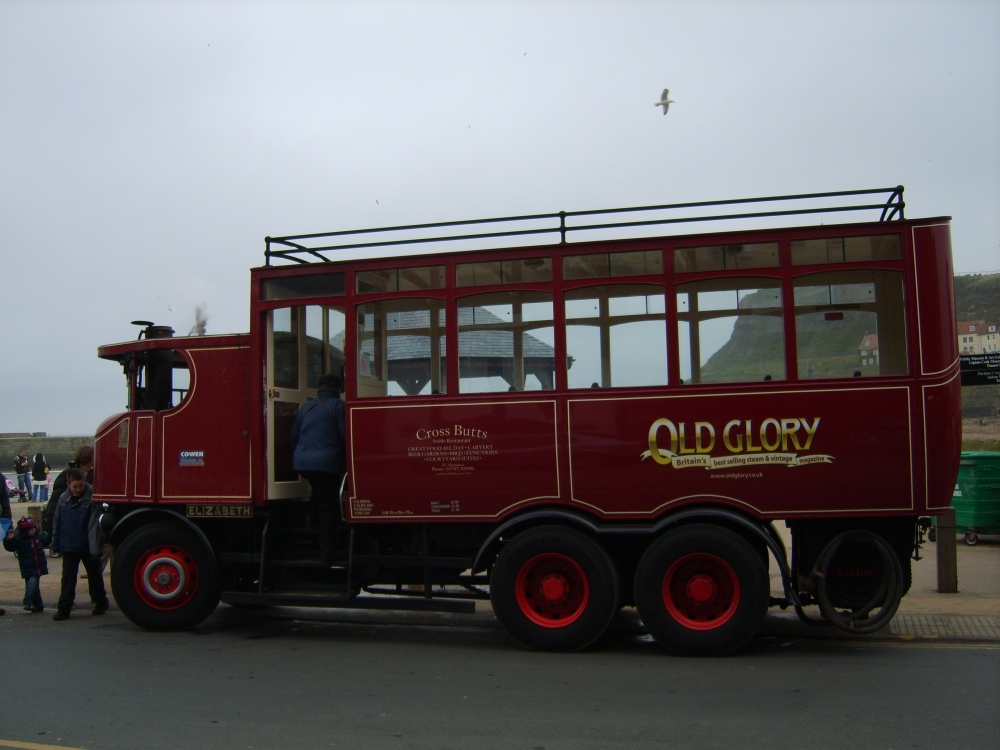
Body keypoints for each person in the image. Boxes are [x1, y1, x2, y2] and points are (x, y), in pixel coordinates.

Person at [290, 372, 346, 564]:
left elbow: (294, 437)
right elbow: (345, 436)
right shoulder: (338, 406)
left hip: (303, 463)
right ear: (339, 390)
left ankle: (310, 520)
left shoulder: (306, 407)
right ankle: (327, 554)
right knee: (329, 508)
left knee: (319, 489)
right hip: (327, 463)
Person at [50, 467, 109, 620]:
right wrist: (55, 543)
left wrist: (95, 547)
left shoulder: (92, 498)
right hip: (69, 544)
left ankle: (101, 602)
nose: (78, 489)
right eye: (75, 486)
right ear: (68, 485)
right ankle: (64, 609)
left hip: (87, 544)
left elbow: (94, 526)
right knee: (68, 578)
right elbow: (57, 522)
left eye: (81, 486)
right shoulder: (63, 499)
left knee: (94, 576)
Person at [43, 445, 95, 550]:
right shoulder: (67, 475)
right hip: (70, 531)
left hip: (87, 531)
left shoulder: (94, 474)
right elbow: (55, 503)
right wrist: (53, 531)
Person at [4, 516, 50, 612]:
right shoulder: (19, 540)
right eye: (30, 529)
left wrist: (51, 533)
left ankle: (35, 604)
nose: (33, 530)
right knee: (33, 585)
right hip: (28, 566)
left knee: (33, 585)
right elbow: (10, 547)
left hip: (38, 566)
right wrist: (7, 539)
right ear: (25, 531)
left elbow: (46, 541)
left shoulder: (37, 537)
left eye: (33, 528)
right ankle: (30, 602)